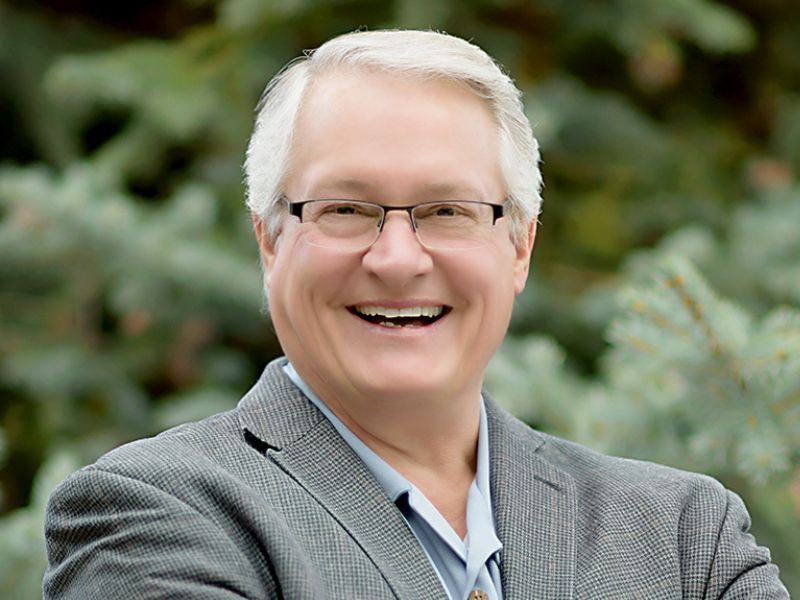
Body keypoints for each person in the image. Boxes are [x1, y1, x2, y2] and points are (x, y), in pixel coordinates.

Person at [43, 30, 788, 599]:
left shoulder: (684, 536)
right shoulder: (155, 518)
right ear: (269, 240)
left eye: (447, 210)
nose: (397, 259)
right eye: (344, 209)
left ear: (520, 246)